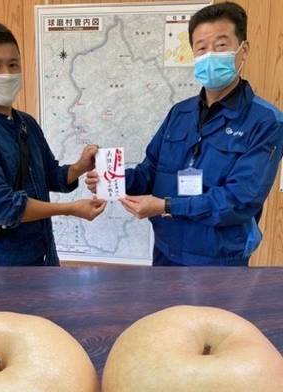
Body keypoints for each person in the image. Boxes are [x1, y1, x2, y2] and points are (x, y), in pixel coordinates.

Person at [85, 2, 283, 266]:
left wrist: (166, 206)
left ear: (242, 50)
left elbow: (238, 201)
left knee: (210, 311)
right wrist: (110, 176)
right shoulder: (180, 113)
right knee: (164, 310)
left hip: (218, 261)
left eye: (221, 45)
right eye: (202, 48)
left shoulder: (266, 121)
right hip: (166, 252)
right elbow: (149, 172)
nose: (210, 55)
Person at [0, 22, 106, 267]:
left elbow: (50, 176)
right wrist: (70, 209)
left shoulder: (26, 123)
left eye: (13, 65)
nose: (7, 74)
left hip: (40, 254)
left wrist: (80, 167)